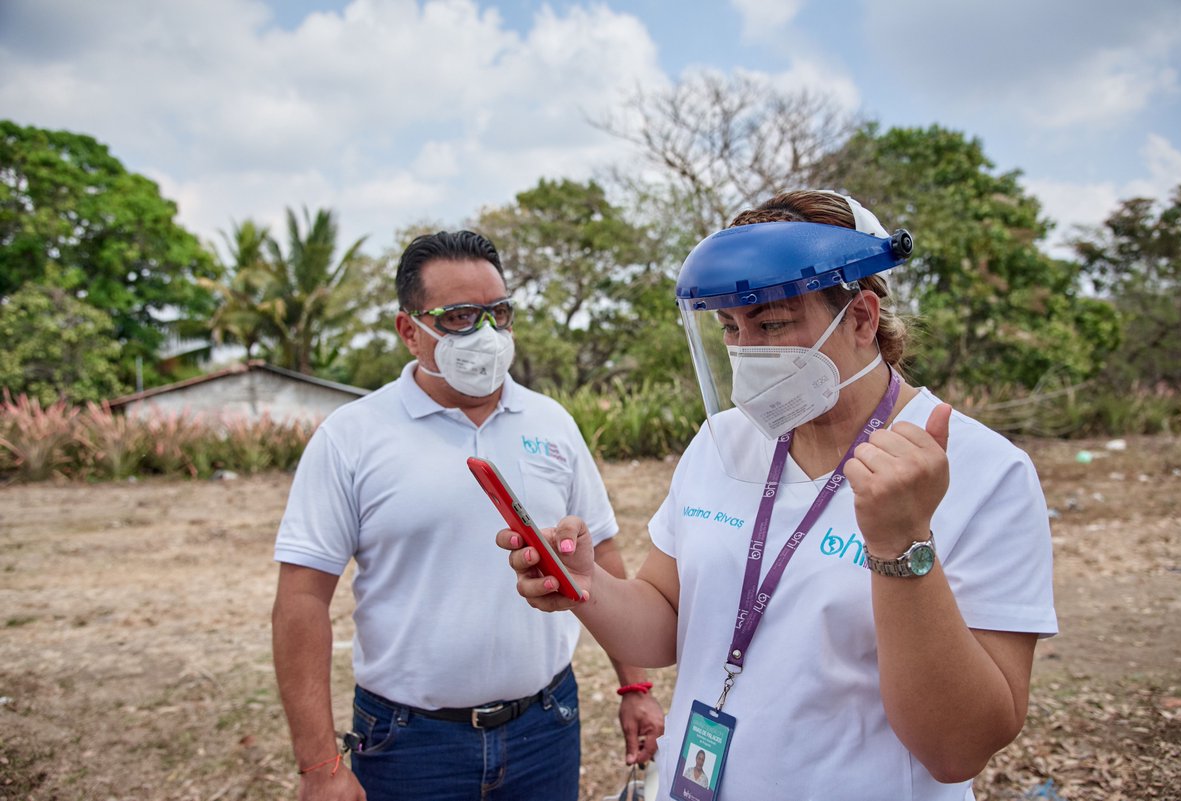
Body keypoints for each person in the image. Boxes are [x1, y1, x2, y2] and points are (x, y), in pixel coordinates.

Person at [498, 192, 1057, 800]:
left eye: (772, 324)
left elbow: (959, 748)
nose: (747, 351)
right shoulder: (724, 442)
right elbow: (665, 624)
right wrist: (588, 586)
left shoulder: (983, 471)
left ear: (864, 319)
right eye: (730, 328)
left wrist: (902, 544)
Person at [272, 230, 664, 801]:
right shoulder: (351, 437)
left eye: (498, 312)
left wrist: (635, 684)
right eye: (459, 316)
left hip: (546, 726)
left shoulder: (551, 422)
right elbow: (301, 600)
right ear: (410, 331)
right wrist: (319, 767)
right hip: (408, 744)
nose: (486, 333)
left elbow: (600, 555)